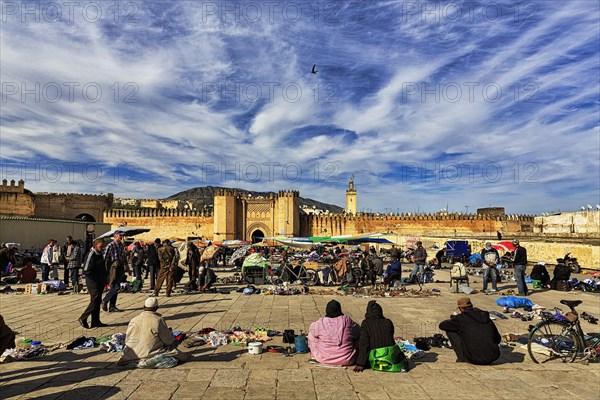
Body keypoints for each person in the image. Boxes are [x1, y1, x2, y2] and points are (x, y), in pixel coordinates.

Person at [118, 297, 190, 366]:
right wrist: (169, 333)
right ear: (156, 308)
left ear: (144, 307)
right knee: (182, 355)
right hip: (149, 353)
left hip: (130, 354)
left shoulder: (134, 319)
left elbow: (127, 339)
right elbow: (168, 340)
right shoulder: (158, 320)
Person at [439, 297, 501, 365]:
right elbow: (498, 338)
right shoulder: (485, 317)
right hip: (492, 357)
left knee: (450, 330)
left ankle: (462, 358)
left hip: (473, 358)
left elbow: (442, 325)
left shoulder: (461, 318)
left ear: (460, 308)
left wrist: (454, 319)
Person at [308, 300, 360, 366]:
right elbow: (358, 331)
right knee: (358, 336)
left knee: (311, 334)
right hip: (347, 359)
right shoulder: (347, 320)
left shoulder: (321, 322)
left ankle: (314, 356)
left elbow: (312, 330)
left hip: (322, 358)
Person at [354, 301, 402, 372]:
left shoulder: (366, 323)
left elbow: (364, 344)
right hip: (388, 356)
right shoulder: (388, 322)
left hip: (374, 357)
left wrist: (360, 363)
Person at [79, 239, 108, 329]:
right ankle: (83, 317)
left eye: (103, 246)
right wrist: (94, 280)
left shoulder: (100, 254)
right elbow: (86, 269)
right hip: (92, 281)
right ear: (95, 245)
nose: (102, 248)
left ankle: (95, 321)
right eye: (100, 246)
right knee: (95, 300)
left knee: (98, 300)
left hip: (100, 281)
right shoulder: (91, 254)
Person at [102, 231, 127, 312]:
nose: (121, 237)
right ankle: (105, 300)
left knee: (115, 286)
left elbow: (123, 257)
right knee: (116, 286)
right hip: (113, 267)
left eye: (122, 236)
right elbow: (105, 258)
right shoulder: (111, 245)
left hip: (120, 267)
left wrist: (127, 268)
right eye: (120, 235)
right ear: (115, 236)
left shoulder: (121, 245)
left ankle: (112, 306)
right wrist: (105, 270)